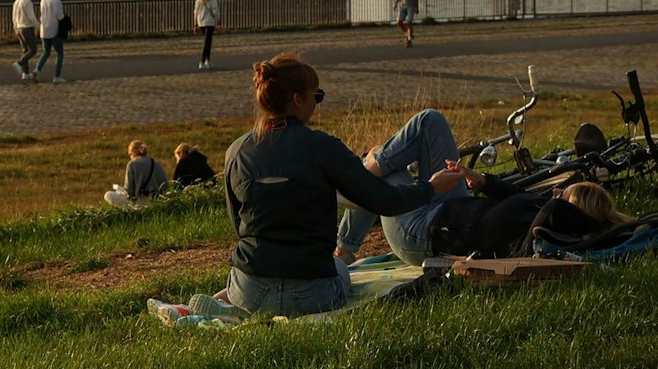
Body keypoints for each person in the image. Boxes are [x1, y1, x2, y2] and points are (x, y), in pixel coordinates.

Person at [220, 54, 460, 317]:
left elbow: (237, 224)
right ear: (298, 99)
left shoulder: (236, 151)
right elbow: (383, 199)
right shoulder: (323, 146)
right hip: (312, 295)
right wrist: (430, 187)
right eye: (317, 96)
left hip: (250, 292)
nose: (317, 104)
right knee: (340, 266)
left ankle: (226, 298)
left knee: (250, 275)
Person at [335, 109, 627, 266]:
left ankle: (346, 235)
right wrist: (483, 180)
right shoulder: (542, 215)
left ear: (569, 211)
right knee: (430, 121)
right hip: (448, 207)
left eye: (561, 194)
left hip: (420, 235)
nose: (554, 192)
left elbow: (547, 207)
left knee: (385, 167)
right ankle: (362, 176)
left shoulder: (546, 222)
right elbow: (526, 198)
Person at [104, 139, 168, 207]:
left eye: (130, 154)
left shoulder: (132, 164)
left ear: (133, 153)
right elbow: (165, 185)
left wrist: (120, 191)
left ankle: (130, 211)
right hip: (158, 201)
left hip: (141, 203)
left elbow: (129, 192)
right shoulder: (156, 163)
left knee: (108, 195)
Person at [35, 0, 68, 84]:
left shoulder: (43, 0)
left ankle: (37, 69)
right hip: (54, 30)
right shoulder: (56, 0)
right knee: (60, 53)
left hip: (44, 30)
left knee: (46, 52)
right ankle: (57, 76)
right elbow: (60, 16)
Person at [10, 0, 40, 81]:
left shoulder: (17, 1)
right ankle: (20, 63)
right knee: (33, 49)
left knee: (25, 50)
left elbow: (14, 17)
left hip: (19, 27)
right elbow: (31, 16)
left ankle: (26, 73)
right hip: (27, 27)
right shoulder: (27, 1)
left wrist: (15, 28)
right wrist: (38, 26)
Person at [193, 0, 222, 70]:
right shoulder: (213, 0)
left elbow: (195, 12)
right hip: (210, 22)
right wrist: (218, 21)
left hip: (201, 22)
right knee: (207, 42)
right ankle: (203, 61)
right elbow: (216, 11)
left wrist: (195, 24)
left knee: (208, 42)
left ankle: (207, 60)